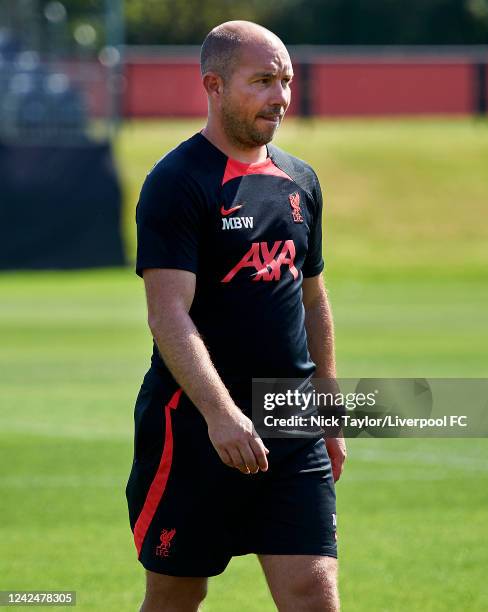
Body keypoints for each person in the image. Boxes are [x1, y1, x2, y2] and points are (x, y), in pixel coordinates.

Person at [125, 20, 347, 612]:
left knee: (312, 592)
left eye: (286, 80)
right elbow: (169, 313)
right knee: (177, 594)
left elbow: (312, 298)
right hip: (194, 426)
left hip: (292, 417)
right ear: (214, 86)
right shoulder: (177, 183)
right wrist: (222, 416)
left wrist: (327, 409)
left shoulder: (301, 181)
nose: (280, 96)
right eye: (263, 81)